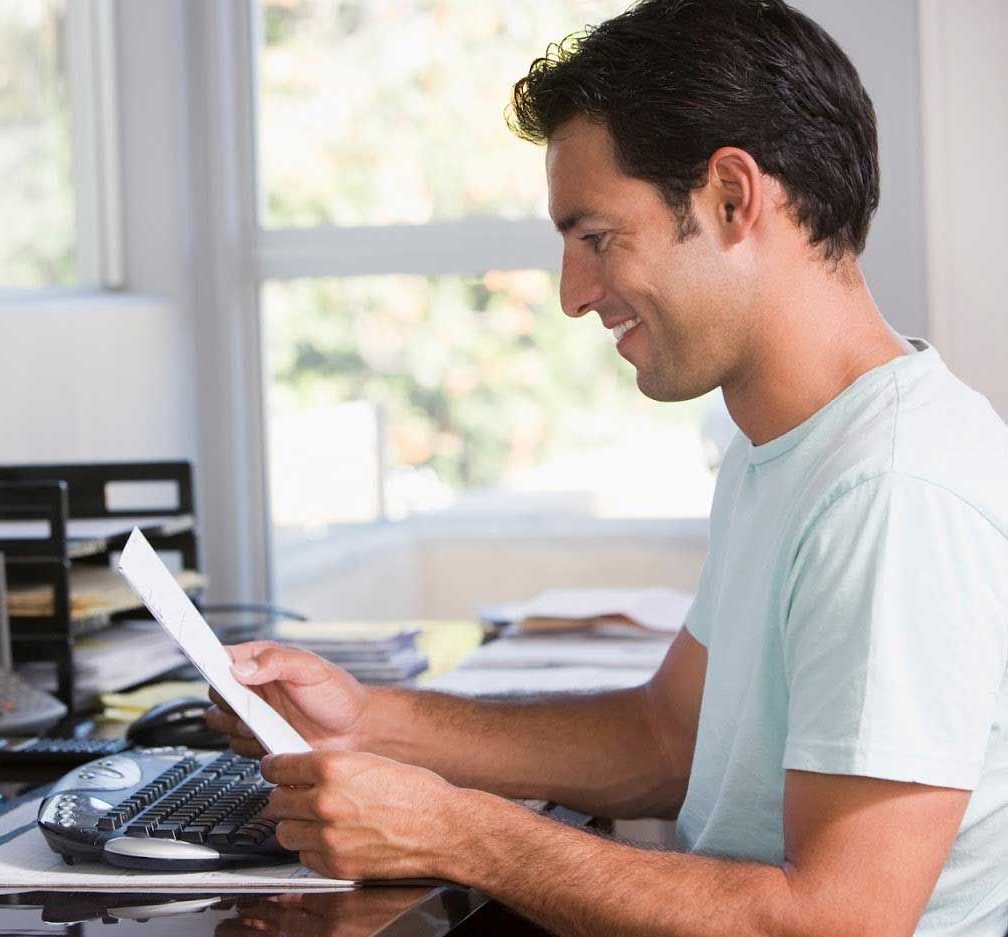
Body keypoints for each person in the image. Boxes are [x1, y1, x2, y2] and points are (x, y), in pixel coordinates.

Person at [205, 1, 1008, 934]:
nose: (572, 295)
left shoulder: (891, 491)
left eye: (596, 237)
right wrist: (367, 723)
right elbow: (667, 736)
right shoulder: (788, 451)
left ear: (732, 199)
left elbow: (835, 922)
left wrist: (458, 833)